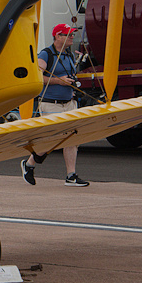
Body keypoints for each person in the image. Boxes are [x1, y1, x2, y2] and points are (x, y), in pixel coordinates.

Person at [22, 24, 89, 187]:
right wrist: (60, 81)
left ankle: (71, 175)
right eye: (68, 35)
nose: (72, 38)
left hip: (69, 103)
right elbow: (37, 77)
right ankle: (29, 164)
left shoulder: (69, 55)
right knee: (52, 140)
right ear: (57, 36)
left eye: (72, 35)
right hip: (51, 104)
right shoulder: (46, 54)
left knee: (72, 138)